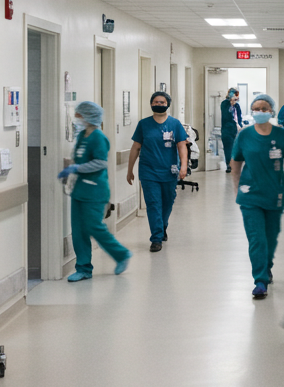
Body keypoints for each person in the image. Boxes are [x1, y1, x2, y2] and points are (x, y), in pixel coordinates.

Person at [230, 94, 284, 299]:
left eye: (264, 108)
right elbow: (236, 161)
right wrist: (236, 188)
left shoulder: (281, 135)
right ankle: (260, 280)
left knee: (270, 237)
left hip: (274, 194)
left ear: (272, 111)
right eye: (256, 108)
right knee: (256, 238)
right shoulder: (244, 135)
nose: (260, 111)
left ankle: (266, 266)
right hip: (250, 195)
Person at [59, 100, 131, 282]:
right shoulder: (82, 136)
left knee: (94, 227)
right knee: (78, 231)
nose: (76, 117)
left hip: (95, 191)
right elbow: (79, 158)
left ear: (89, 116)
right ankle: (83, 268)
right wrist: (70, 168)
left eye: (79, 114)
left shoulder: (99, 137)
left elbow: (100, 162)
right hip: (79, 191)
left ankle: (121, 254)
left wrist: (76, 168)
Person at [126, 91, 189, 252]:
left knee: (167, 202)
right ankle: (156, 238)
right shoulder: (143, 124)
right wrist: (130, 169)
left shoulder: (175, 124)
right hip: (148, 171)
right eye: (156, 102)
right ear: (151, 104)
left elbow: (182, 146)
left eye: (162, 102)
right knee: (153, 204)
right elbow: (136, 147)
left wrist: (183, 166)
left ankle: (162, 226)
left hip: (169, 170)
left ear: (168, 104)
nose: (159, 104)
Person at [220, 88, 243, 172]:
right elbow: (226, 115)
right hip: (226, 129)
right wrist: (231, 104)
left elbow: (239, 117)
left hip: (235, 129)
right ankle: (229, 165)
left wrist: (240, 125)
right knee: (228, 148)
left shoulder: (237, 106)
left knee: (235, 147)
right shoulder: (225, 104)